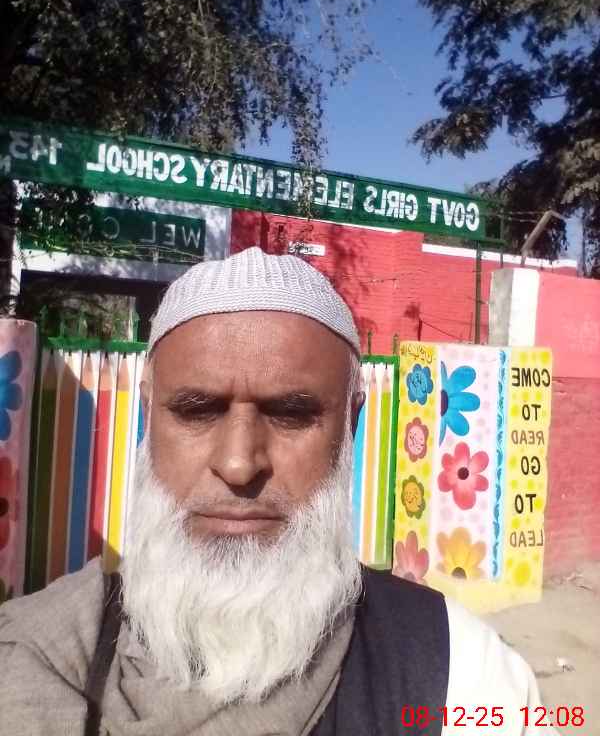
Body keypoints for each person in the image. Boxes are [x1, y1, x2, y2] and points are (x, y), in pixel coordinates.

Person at [0, 247, 555, 736]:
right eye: (197, 411)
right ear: (149, 416)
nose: (239, 464)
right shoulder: (34, 650)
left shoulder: (463, 674)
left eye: (291, 414)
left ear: (351, 424)